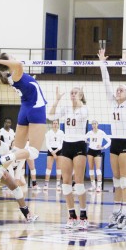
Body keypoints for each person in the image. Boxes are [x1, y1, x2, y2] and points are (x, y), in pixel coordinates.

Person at [0, 53, 46, 195]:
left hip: (24, 110)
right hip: (35, 109)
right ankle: (1, 159)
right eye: (11, 57)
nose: (14, 57)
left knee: (16, 150)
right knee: (34, 153)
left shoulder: (11, 77)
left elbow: (16, 65)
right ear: (7, 63)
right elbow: (18, 64)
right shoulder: (16, 72)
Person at [97, 48, 126, 229]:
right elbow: (106, 84)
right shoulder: (113, 104)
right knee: (116, 180)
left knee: (125, 180)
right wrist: (103, 64)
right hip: (115, 143)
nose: (118, 90)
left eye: (122, 89)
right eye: (117, 89)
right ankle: (117, 211)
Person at [48, 86, 89, 229]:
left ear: (81, 94)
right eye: (71, 92)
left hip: (79, 144)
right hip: (67, 144)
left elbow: (82, 116)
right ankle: (72, 215)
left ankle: (83, 215)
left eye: (75, 92)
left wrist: (78, 101)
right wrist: (57, 100)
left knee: (78, 182)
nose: (72, 94)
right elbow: (50, 116)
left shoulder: (84, 109)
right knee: (65, 182)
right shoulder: (65, 108)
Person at [85, 120, 111, 192]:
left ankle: (98, 186)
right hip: (90, 150)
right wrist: (89, 142)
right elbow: (84, 139)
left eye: (95, 124)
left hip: (97, 151)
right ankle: (93, 186)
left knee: (98, 169)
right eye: (93, 124)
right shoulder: (89, 133)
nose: (94, 125)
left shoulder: (101, 132)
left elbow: (109, 141)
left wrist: (103, 147)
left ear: (97, 124)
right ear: (91, 125)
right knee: (91, 168)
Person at [44, 120, 64, 191]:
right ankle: (46, 184)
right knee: (49, 168)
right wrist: (52, 152)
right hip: (51, 150)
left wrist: (56, 151)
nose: (55, 125)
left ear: (58, 124)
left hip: (58, 150)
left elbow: (61, 144)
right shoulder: (48, 133)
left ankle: (58, 184)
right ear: (52, 124)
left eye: (56, 123)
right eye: (54, 123)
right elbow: (47, 144)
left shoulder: (61, 132)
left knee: (59, 168)